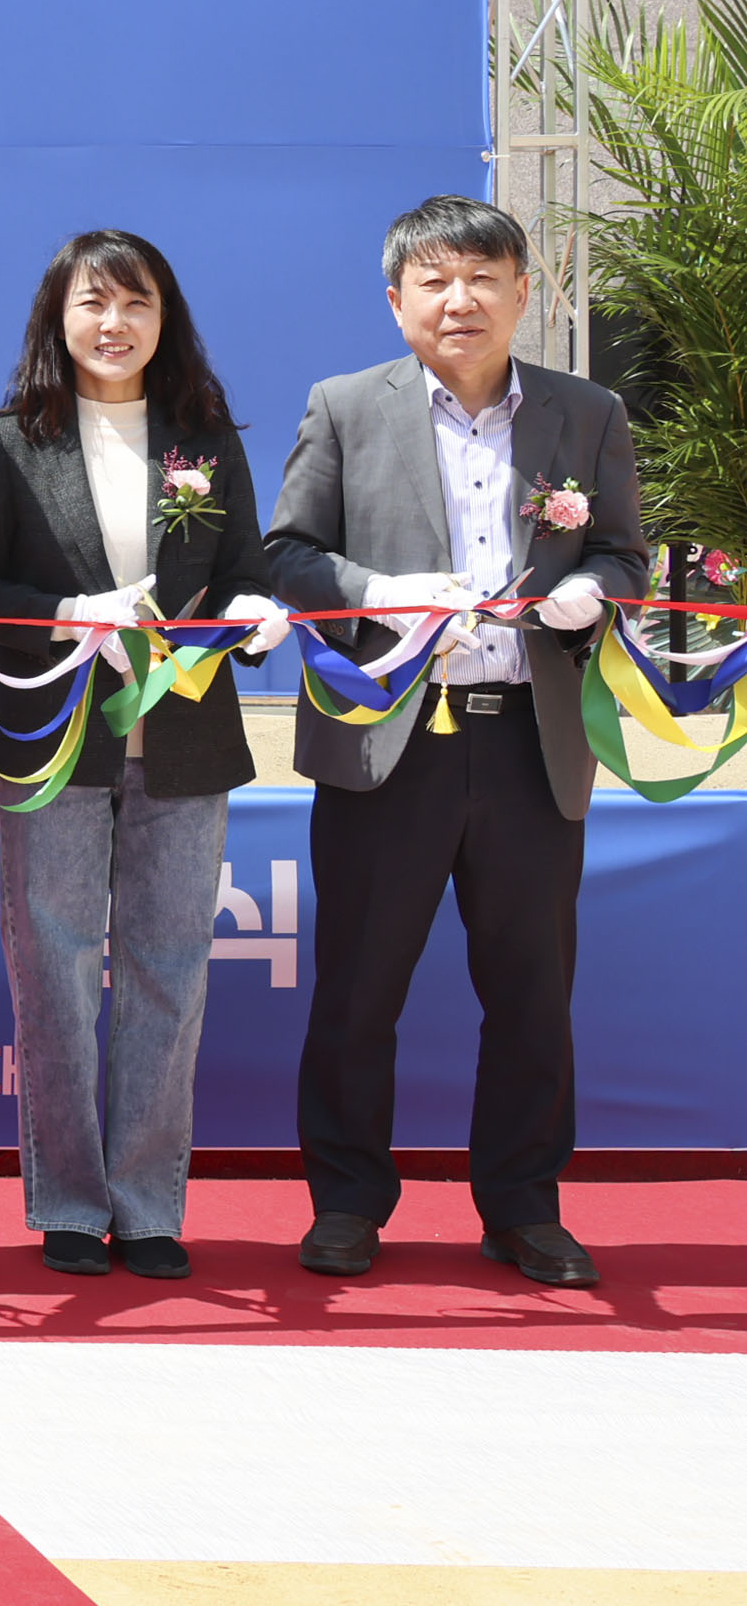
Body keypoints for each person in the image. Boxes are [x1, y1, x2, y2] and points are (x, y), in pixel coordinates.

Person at [263, 194, 646, 1289]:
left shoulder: (585, 412)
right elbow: (287, 554)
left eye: (482, 276)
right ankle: (346, 1203)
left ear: (523, 292)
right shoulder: (344, 408)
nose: (459, 299)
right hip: (390, 747)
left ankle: (522, 1204)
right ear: (396, 303)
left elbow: (625, 555)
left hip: (529, 739)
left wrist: (588, 591)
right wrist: (380, 591)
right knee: (357, 991)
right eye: (432, 281)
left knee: (530, 991)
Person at [0, 230, 286, 1282]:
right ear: (56, 321)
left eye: (134, 304)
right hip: (52, 739)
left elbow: (243, 566)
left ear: (165, 317)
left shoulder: (203, 433)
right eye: (90, 305)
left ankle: (148, 1204)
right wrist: (68, 613)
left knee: (168, 971)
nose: (113, 324)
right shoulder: (11, 440)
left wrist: (253, 610)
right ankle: (66, 1198)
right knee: (52, 972)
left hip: (186, 738)